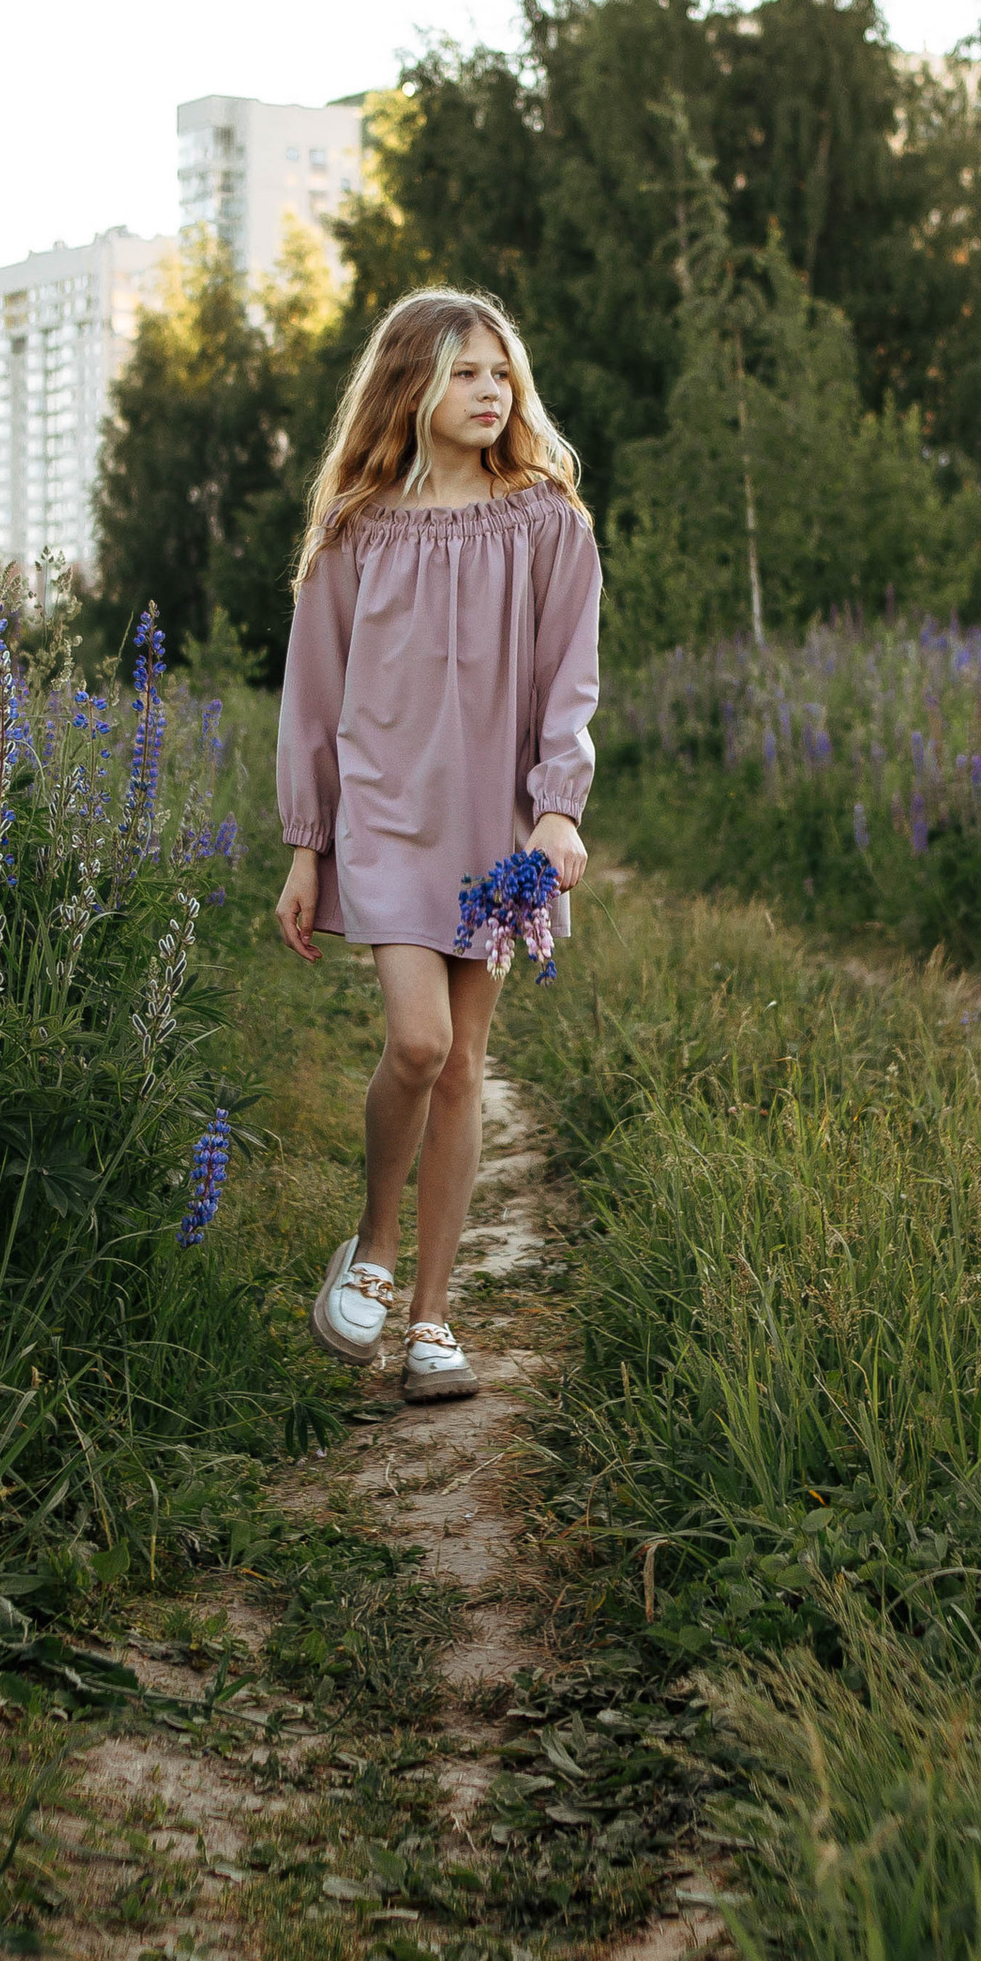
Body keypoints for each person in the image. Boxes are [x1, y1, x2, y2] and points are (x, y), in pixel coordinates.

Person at [275, 287, 600, 1404]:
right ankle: (369, 1248)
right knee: (415, 1046)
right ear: (411, 383)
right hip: (386, 821)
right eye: (466, 371)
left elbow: (571, 680)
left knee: (463, 1067)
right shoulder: (355, 530)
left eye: (501, 372)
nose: (491, 391)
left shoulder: (548, 522)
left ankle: (429, 1323)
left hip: (498, 831)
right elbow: (311, 702)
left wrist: (558, 805)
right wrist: (306, 844)